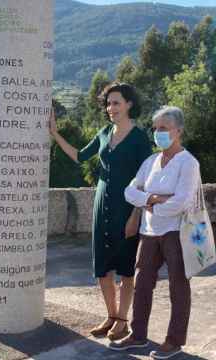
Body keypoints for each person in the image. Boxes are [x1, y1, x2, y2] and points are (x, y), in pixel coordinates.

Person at [50, 82, 152, 340]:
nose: (111, 108)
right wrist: (55, 134)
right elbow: (80, 156)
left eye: (116, 102)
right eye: (108, 103)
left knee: (127, 267)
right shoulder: (104, 132)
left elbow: (146, 179)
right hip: (102, 203)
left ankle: (122, 320)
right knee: (102, 266)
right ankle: (110, 315)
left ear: (129, 104)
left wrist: (135, 215)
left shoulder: (140, 138)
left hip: (127, 206)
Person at [111, 106, 200, 359]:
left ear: (178, 131)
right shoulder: (150, 162)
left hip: (176, 232)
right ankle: (138, 336)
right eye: (156, 128)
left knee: (178, 287)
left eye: (163, 128)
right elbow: (129, 191)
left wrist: (147, 203)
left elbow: (181, 202)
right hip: (149, 232)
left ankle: (174, 341)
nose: (158, 133)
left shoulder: (188, 163)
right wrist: (154, 199)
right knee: (142, 285)